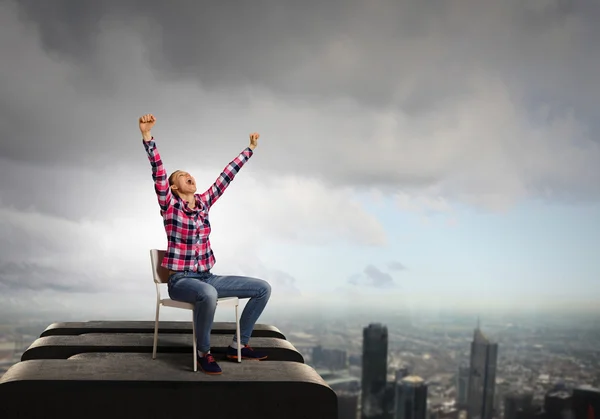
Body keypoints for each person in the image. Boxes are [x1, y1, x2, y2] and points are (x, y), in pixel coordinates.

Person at [139, 113, 271, 375]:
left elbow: (226, 176)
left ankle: (239, 345)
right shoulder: (170, 205)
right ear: (174, 187)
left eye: (190, 174)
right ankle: (203, 354)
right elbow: (158, 170)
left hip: (208, 277)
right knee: (208, 295)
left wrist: (250, 150)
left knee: (262, 289)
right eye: (182, 175)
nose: (189, 176)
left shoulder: (204, 203)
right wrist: (147, 137)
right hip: (181, 281)